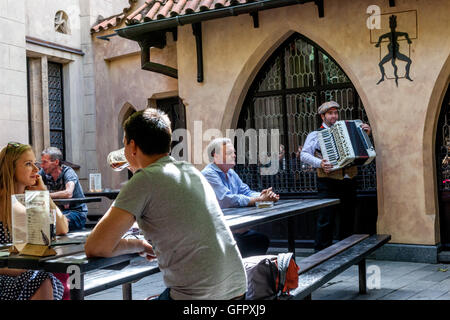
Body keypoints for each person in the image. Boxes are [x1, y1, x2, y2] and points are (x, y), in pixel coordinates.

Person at [84, 109, 247, 300]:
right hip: (237, 289)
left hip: (198, 297)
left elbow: (95, 246)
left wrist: (137, 244)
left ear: (132, 146)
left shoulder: (143, 180)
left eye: (124, 143)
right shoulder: (189, 170)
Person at [0, 142, 68, 300]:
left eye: (35, 163)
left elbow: (62, 228)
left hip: (27, 271)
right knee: (41, 280)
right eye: (28, 164)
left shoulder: (31, 198)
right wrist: (21, 270)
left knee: (44, 279)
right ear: (11, 167)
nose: (37, 170)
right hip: (7, 275)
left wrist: (44, 194)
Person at [300, 101, 372, 251]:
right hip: (328, 182)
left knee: (348, 218)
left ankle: (346, 250)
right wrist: (320, 163)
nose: (334, 116)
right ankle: (321, 252)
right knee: (326, 219)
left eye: (335, 113)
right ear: (322, 116)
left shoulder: (348, 129)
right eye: (330, 113)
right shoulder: (316, 134)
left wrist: (365, 134)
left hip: (349, 181)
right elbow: (304, 155)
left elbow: (363, 149)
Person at [202, 137, 279, 258]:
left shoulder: (232, 173)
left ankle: (248, 272)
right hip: (218, 232)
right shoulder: (209, 174)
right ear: (215, 156)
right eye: (229, 153)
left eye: (234, 152)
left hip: (235, 228)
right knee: (250, 243)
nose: (234, 155)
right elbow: (226, 199)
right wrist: (260, 199)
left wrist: (264, 196)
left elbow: (246, 191)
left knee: (261, 240)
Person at [39, 147, 87, 231]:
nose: (41, 166)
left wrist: (45, 195)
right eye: (41, 162)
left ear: (56, 162)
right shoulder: (44, 173)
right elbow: (32, 183)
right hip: (56, 212)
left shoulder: (68, 172)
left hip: (76, 213)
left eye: (45, 162)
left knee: (51, 224)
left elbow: (68, 193)